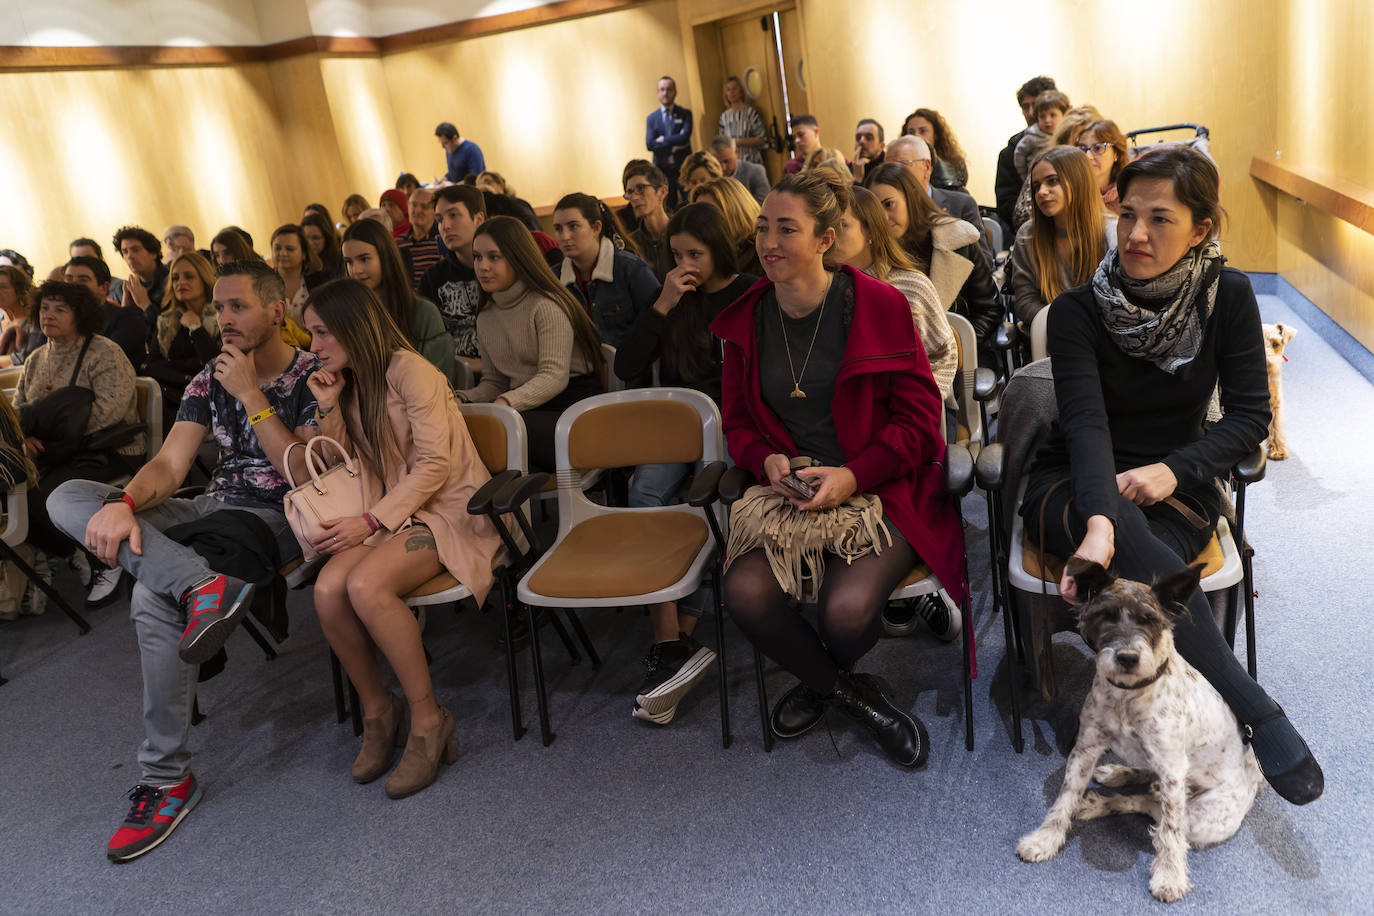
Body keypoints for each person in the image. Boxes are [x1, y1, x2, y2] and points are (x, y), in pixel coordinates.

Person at [1020, 146, 1323, 808]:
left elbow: (1248, 419)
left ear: (1201, 229)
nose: (1134, 235)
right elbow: (1088, 428)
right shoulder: (1077, 311)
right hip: (1071, 483)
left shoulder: (1229, 295)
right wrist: (1100, 524)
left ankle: (1193, 711)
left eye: (1160, 218)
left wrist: (1172, 469)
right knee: (1120, 529)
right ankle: (1254, 706)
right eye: (1127, 214)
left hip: (1173, 487)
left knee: (1135, 550)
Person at [709, 172, 964, 766]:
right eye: (762, 227)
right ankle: (854, 695)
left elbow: (921, 420)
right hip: (791, 488)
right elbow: (738, 422)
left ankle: (822, 678)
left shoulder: (879, 304)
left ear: (825, 239)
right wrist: (763, 459)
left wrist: (852, 475)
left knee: (845, 615)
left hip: (880, 486)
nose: (768, 242)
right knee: (743, 593)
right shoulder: (746, 317)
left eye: (786, 229)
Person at [302, 279, 499, 798]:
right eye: (311, 334)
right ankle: (378, 711)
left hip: (450, 511)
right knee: (327, 591)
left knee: (365, 586)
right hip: (395, 515)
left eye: (322, 333)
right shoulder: (355, 380)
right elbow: (345, 463)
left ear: (353, 326)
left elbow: (436, 465)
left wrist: (371, 523)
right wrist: (328, 406)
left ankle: (429, 721)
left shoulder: (410, 370)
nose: (314, 346)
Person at [613, 204, 755, 723]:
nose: (685, 264)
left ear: (719, 249)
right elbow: (627, 365)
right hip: (680, 424)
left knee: (706, 499)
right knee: (646, 493)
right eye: (676, 255)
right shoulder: (671, 295)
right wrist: (663, 305)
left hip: (735, 424)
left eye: (695, 253)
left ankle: (676, 646)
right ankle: (670, 641)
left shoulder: (748, 291)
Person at [16, 282, 144, 601]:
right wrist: (26, 437)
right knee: (13, 495)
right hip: (55, 453)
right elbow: (18, 410)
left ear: (80, 315)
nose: (50, 315)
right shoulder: (34, 359)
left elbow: (109, 412)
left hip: (108, 449)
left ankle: (101, 557)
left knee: (41, 498)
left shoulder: (104, 352)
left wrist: (47, 433)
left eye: (61, 309)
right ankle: (78, 551)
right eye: (45, 308)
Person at [457, 217, 605, 472]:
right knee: (459, 426)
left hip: (572, 412)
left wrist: (505, 404)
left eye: (494, 257)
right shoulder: (487, 315)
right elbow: (495, 382)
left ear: (518, 258)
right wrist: (460, 399)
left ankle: (501, 508)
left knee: (490, 437)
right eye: (477, 257)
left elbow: (554, 377)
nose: (483, 266)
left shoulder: (545, 305)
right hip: (526, 411)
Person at [828, 183, 956, 404]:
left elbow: (944, 354)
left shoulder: (911, 286)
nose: (830, 237)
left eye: (841, 226)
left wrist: (916, 402)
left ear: (869, 231)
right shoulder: (822, 287)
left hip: (909, 405)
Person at [864, 162, 1000, 358]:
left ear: (910, 199)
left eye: (889, 204)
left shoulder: (957, 239)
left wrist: (958, 348)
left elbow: (989, 309)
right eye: (876, 210)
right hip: (895, 361)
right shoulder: (870, 253)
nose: (883, 218)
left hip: (959, 359)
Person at [1009, 146, 1115, 324]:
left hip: (1104, 336)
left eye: (1052, 181)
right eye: (1036, 186)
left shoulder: (1112, 230)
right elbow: (1025, 302)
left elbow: (1120, 300)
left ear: (1078, 181)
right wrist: (1065, 325)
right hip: (1052, 335)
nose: (1041, 192)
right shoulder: (1028, 235)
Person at [341, 218, 454, 381]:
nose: (356, 270)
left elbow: (439, 379)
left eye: (364, 259)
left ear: (385, 258)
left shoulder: (423, 312)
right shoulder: (349, 314)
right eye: (349, 262)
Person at [552, 193, 659, 350]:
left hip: (629, 368)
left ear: (596, 228)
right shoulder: (554, 278)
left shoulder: (631, 269)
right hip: (579, 369)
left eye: (573, 226)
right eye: (558, 229)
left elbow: (659, 325)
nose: (565, 236)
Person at [144, 251, 221, 423]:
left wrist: (196, 327)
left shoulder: (221, 317)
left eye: (189, 276)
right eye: (176, 278)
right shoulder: (167, 321)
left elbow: (216, 364)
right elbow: (150, 366)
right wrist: (188, 375)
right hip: (175, 399)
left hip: (214, 400)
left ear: (204, 279)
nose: (180, 283)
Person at [419, 185, 487, 377]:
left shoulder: (503, 267)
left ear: (479, 219)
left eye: (453, 215)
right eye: (439, 219)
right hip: (453, 377)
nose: (445, 226)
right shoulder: (433, 278)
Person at [884, 136, 984, 245]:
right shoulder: (881, 207)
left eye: (902, 165)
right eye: (887, 167)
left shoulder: (961, 205)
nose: (892, 175)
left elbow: (982, 260)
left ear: (926, 167)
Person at [63, 256, 147, 372]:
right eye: (68, 280)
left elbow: (109, 360)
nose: (73, 286)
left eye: (83, 280)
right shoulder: (59, 320)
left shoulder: (127, 318)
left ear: (104, 288)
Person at [996, 75, 1058, 231]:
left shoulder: (1075, 141)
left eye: (1036, 105)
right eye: (1025, 107)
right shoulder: (1012, 152)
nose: (1031, 113)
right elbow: (1005, 204)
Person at [690, 175, 763, 276]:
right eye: (698, 214)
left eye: (711, 213)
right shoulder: (703, 253)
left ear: (736, 212)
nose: (702, 221)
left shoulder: (762, 253)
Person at [645, 76, 693, 207]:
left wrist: (662, 139)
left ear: (675, 92)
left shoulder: (685, 114)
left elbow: (685, 138)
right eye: (662, 89)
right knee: (668, 208)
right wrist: (673, 145)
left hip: (684, 171)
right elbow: (650, 144)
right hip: (663, 173)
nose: (665, 93)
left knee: (689, 205)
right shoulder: (652, 118)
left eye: (669, 89)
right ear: (657, 93)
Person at [115, 226, 170, 337]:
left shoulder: (172, 280)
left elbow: (170, 329)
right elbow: (125, 334)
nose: (129, 256)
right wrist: (126, 305)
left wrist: (145, 304)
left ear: (153, 253)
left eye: (135, 250)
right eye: (125, 252)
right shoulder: (125, 288)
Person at [270, 224, 325, 327]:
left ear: (304, 253)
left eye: (290, 249)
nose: (282, 253)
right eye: (277, 248)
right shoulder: (263, 283)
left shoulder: (321, 281)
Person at [624, 163, 672, 275]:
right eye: (630, 192)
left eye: (641, 188)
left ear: (662, 192)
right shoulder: (631, 244)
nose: (634, 197)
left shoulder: (682, 231)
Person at [903, 108, 969, 189]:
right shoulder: (900, 164)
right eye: (911, 132)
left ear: (935, 135)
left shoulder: (955, 162)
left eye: (922, 131)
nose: (916, 136)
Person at [1014, 90, 1072, 180]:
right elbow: (1019, 153)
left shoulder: (1068, 134)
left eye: (1053, 115)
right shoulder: (1032, 136)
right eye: (1042, 116)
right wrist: (1023, 173)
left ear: (1064, 115)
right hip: (1037, 177)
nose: (1047, 120)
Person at [1079, 119, 1130, 214]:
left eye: (1097, 148)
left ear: (1116, 154)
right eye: (1083, 149)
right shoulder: (1071, 192)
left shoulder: (1130, 193)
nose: (1088, 156)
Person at [718, 75, 767, 166]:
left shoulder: (751, 113)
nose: (732, 92)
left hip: (752, 163)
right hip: (733, 165)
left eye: (734, 89)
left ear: (741, 91)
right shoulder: (724, 117)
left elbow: (761, 139)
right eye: (728, 90)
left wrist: (737, 142)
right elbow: (722, 142)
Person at [710, 135, 770, 203]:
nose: (723, 167)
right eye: (718, 163)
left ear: (737, 152)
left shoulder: (756, 172)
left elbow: (764, 205)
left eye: (726, 161)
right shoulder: (710, 176)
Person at [0, 264, 39, 369]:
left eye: (3, 287)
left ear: (19, 289)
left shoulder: (34, 320)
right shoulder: (1, 322)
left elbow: (25, 358)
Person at [404, 188, 443, 288]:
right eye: (413, 205)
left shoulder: (442, 240)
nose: (417, 211)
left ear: (435, 211)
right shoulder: (398, 242)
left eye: (424, 207)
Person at [475, 172, 541, 231]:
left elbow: (533, 228)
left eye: (487, 182)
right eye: (479, 185)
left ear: (501, 185)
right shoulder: (483, 210)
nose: (483, 186)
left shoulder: (519, 204)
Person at [301, 213, 343, 281]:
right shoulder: (300, 263)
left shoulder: (339, 260)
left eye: (316, 238)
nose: (310, 243)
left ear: (326, 239)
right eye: (306, 238)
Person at [851, 118, 885, 183]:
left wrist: (857, 180)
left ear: (881, 146)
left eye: (869, 138)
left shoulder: (889, 170)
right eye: (858, 137)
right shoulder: (848, 169)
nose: (861, 141)